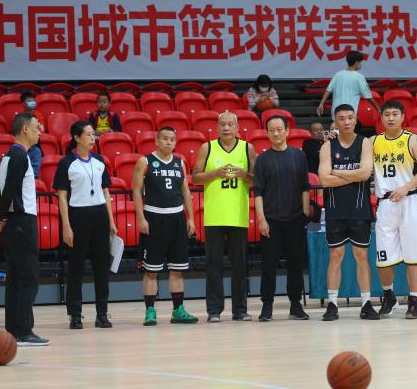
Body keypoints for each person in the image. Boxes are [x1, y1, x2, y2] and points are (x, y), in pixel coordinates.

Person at [192, 111, 257, 322]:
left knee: (239, 266)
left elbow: (256, 180)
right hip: (214, 215)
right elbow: (195, 178)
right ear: (217, 127)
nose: (226, 128)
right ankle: (214, 311)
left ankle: (240, 310)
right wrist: (214, 173)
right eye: (222, 124)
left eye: (230, 124)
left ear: (237, 128)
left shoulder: (247, 148)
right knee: (214, 266)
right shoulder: (207, 147)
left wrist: (243, 174)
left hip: (238, 214)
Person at [53, 121, 118, 330]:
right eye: (88, 134)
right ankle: (75, 314)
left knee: (102, 267)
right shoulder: (66, 163)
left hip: (99, 215)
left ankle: (102, 314)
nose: (92, 138)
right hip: (77, 215)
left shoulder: (99, 160)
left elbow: (105, 191)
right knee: (76, 268)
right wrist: (66, 225)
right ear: (76, 137)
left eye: (93, 134)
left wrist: (111, 220)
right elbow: (62, 196)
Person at [372, 100, 417, 320]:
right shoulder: (372, 142)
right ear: (381, 118)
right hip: (385, 203)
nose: (390, 118)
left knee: (414, 256)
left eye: (394, 114)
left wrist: (406, 187)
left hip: (410, 201)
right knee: (383, 258)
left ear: (402, 116)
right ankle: (389, 296)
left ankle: (414, 301)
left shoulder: (413, 140)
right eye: (386, 114)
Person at [132, 127, 199, 326]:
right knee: (151, 270)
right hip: (154, 218)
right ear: (156, 140)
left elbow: (185, 192)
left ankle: (178, 310)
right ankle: (150, 311)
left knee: (177, 269)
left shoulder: (180, 162)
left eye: (172, 139)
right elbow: (136, 192)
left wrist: (191, 218)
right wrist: (141, 218)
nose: (169, 142)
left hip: (177, 218)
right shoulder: (144, 161)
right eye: (165, 139)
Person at [318, 104, 379, 321]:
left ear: (355, 119)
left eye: (350, 117)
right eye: (341, 118)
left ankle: (366, 304)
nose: (346, 122)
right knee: (336, 256)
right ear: (335, 122)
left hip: (359, 209)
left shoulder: (365, 142)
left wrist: (336, 171)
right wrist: (353, 175)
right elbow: (324, 180)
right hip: (335, 210)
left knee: (361, 256)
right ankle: (332, 304)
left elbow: (365, 174)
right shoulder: (328, 146)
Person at [0, 113, 49, 346]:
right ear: (25, 129)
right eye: (36, 127)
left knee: (15, 278)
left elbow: (8, 190)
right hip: (22, 222)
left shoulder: (10, 154)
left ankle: (13, 331)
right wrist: (3, 216)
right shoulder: (18, 155)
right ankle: (24, 331)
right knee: (28, 277)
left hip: (14, 222)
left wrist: (3, 217)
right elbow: (10, 189)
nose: (40, 131)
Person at [254, 115, 310, 322]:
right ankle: (267, 306)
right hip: (271, 220)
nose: (276, 133)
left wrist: (305, 211)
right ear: (267, 133)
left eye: (279, 129)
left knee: (295, 264)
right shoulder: (262, 159)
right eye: (272, 130)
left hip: (295, 219)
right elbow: (258, 192)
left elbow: (305, 186)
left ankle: (295, 305)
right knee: (268, 265)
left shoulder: (299, 156)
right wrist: (261, 219)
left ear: (287, 131)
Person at [316, 51, 380, 119]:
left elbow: (328, 90)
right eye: (360, 62)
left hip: (336, 114)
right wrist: (378, 108)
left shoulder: (338, 74)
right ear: (357, 62)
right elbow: (368, 96)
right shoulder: (359, 77)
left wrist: (321, 104)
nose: (361, 64)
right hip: (349, 115)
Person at [20, 92, 44, 179]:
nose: (32, 103)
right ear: (23, 104)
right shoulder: (20, 117)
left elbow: (41, 130)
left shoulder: (38, 115)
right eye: (29, 101)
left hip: (34, 145)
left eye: (33, 101)